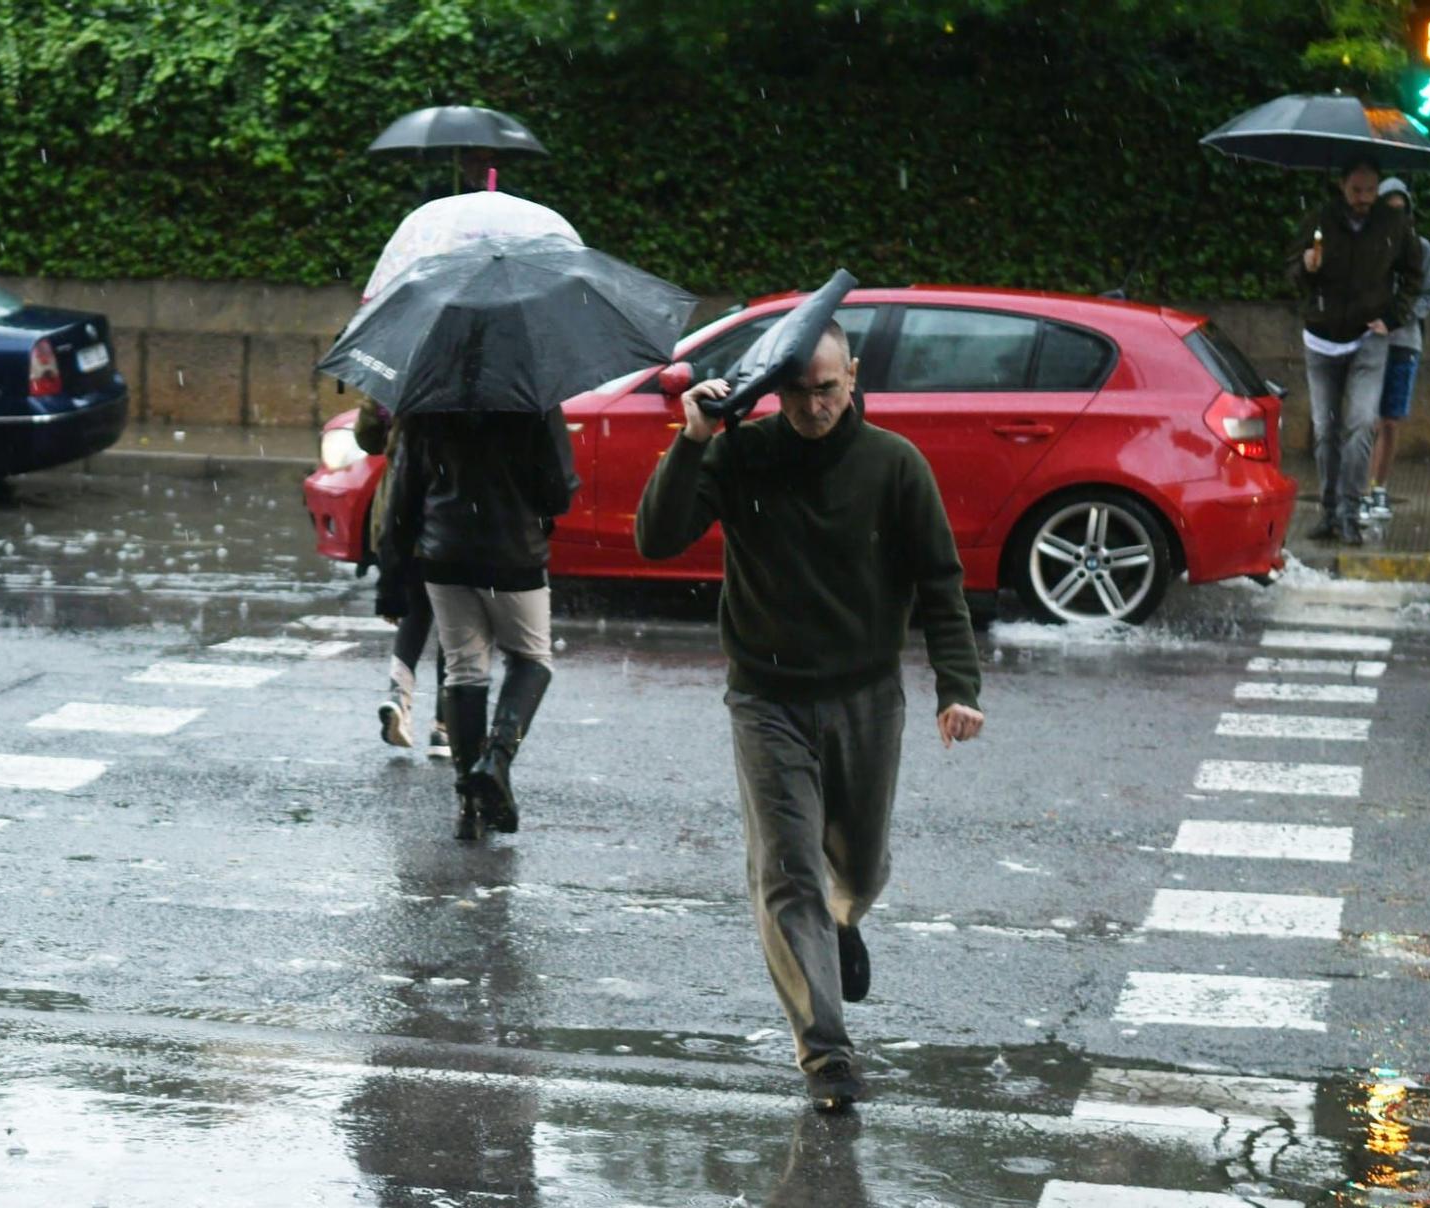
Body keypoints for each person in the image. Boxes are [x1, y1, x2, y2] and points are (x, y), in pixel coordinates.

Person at [634, 321, 983, 1111]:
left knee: (859, 862)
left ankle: (845, 912)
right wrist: (691, 437)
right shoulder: (742, 453)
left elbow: (940, 581)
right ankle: (826, 1053)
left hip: (866, 694)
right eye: (797, 391)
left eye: (827, 388)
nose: (814, 405)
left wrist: (957, 686)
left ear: (853, 376)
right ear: (775, 389)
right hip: (766, 696)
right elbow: (655, 539)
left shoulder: (895, 465)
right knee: (787, 870)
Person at [376, 408, 579, 840]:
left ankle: (469, 796)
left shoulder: (430, 402)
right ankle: (497, 760)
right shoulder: (533, 400)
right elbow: (558, 492)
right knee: (530, 659)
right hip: (515, 552)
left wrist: (391, 578)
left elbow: (403, 496)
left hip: (445, 553)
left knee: (465, 671)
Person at [1286, 159, 1426, 546]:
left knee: (1362, 423)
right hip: (1321, 336)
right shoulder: (1320, 220)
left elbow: (1415, 274)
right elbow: (1291, 273)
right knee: (1326, 428)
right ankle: (1329, 512)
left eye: (1370, 190)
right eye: (1356, 190)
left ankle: (1350, 511)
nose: (1364, 199)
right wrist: (1306, 266)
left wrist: (1393, 317)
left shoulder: (1394, 224)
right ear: (1343, 187)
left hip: (1369, 336)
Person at [356, 395, 450, 759]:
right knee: (454, 622)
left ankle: (399, 696)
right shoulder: (462, 381)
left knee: (414, 610)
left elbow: (368, 440)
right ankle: (445, 726)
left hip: (398, 518)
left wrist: (377, 406)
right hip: (446, 518)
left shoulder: (404, 380)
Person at [1369, 176, 1430, 523]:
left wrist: (1399, 317)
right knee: (1360, 420)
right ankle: (1357, 489)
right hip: (1366, 341)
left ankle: (1377, 488)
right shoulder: (1367, 246)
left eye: (1401, 211)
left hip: (1403, 343)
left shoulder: (1421, 248)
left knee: (1389, 421)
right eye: (1389, 210)